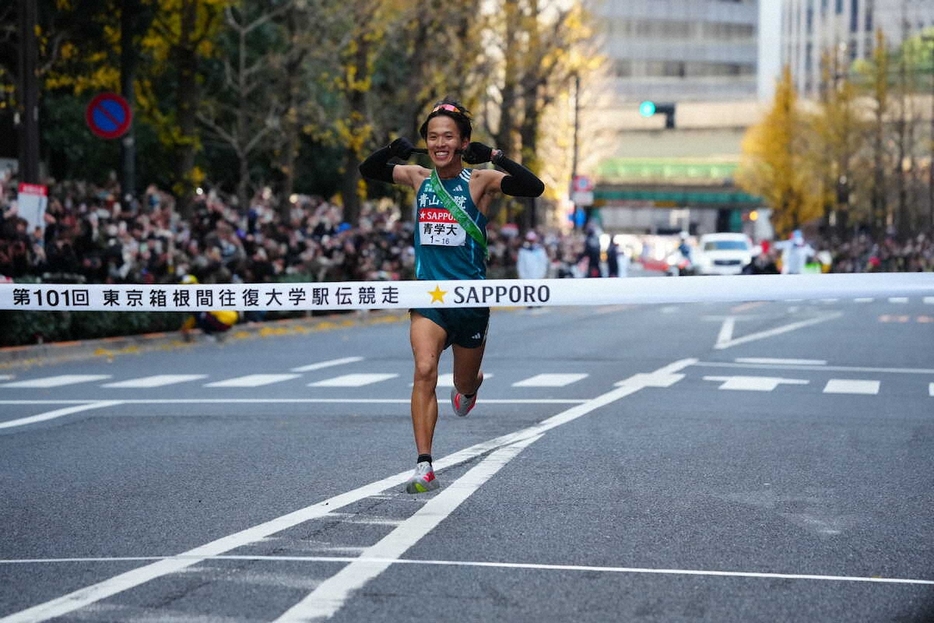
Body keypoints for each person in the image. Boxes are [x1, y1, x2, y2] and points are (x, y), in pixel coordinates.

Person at [359, 98, 544, 494]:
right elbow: (368, 170)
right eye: (432, 137)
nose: (439, 144)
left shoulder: (481, 181)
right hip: (429, 295)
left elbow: (534, 187)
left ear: (463, 142)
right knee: (424, 371)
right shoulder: (418, 178)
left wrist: (496, 157)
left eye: (448, 137)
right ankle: (424, 464)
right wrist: (393, 151)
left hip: (471, 300)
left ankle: (471, 386)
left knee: (461, 382)